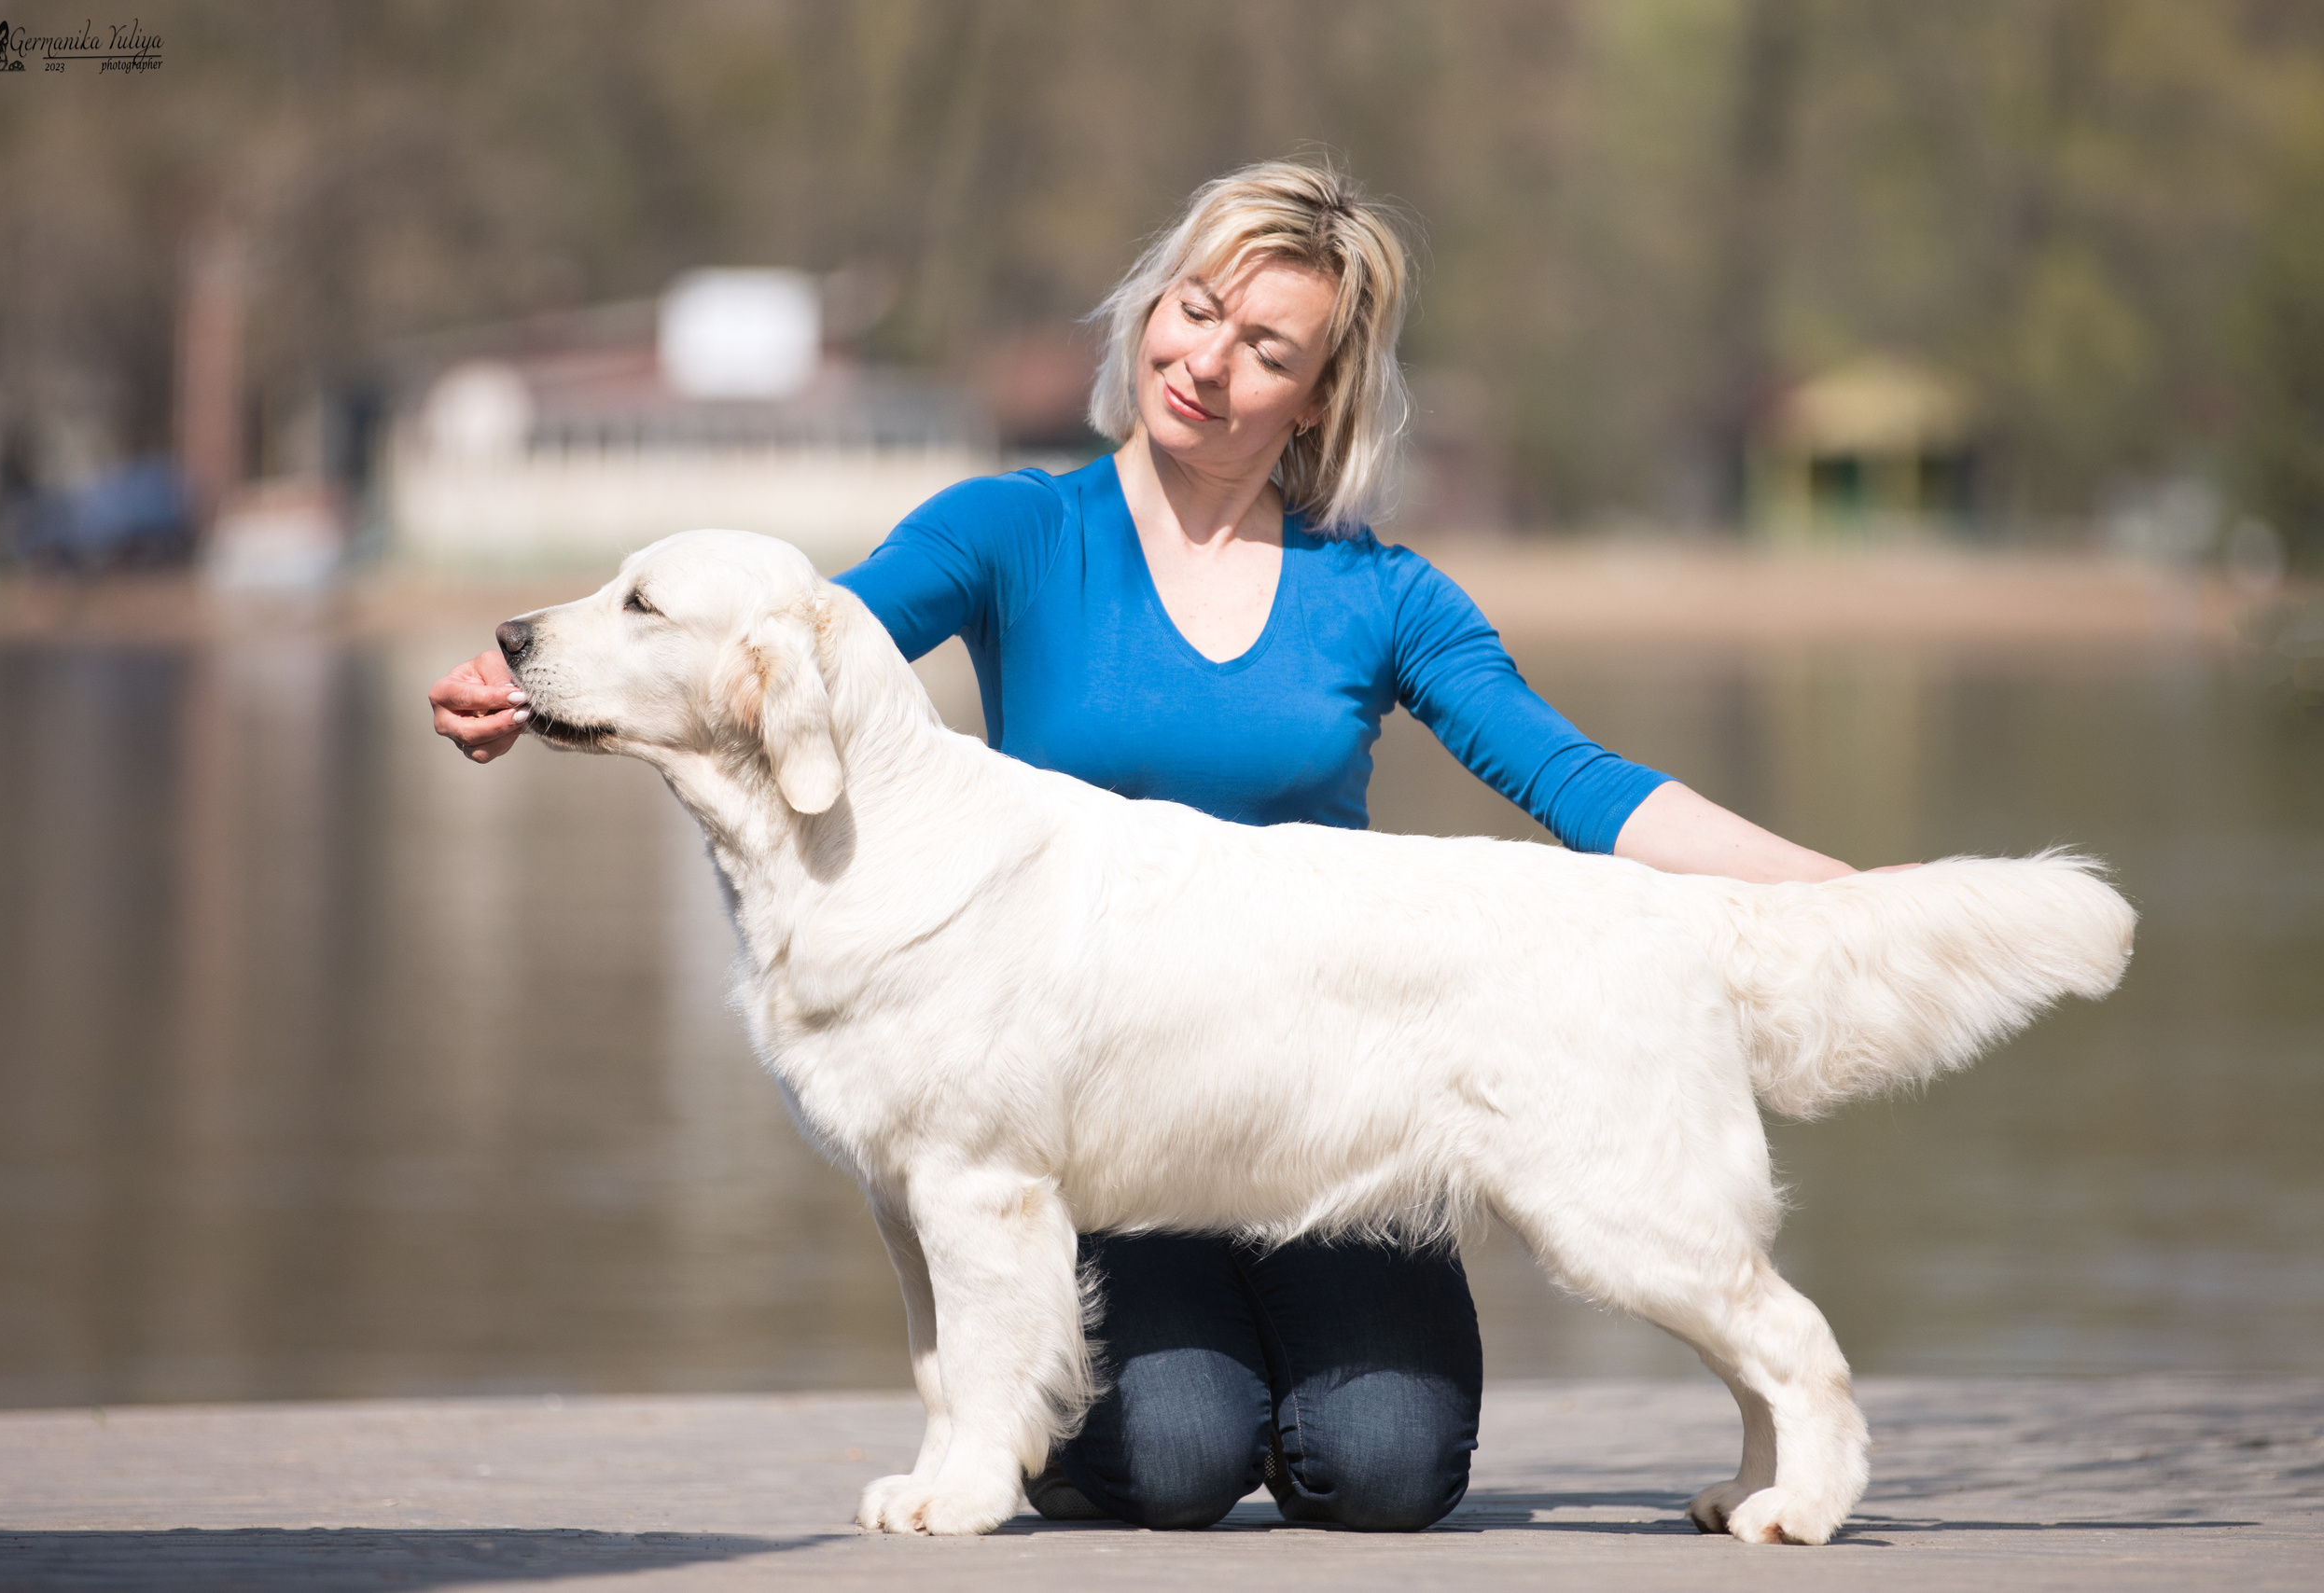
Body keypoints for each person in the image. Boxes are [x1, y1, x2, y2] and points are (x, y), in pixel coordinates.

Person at [431, 159, 1874, 1532]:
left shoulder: (1379, 591)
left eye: (1264, 344)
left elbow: (1575, 783)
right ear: (1146, 308)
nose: (1206, 358)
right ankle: (1040, 1418)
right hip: (1112, 1110)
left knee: (1382, 1467)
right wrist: (548, 687)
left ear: (1318, 395)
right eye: (1194, 306)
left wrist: (1844, 908)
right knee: (1171, 1456)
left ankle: (1794, 1408)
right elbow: (788, 636)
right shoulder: (1012, 529)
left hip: (1344, 1087)